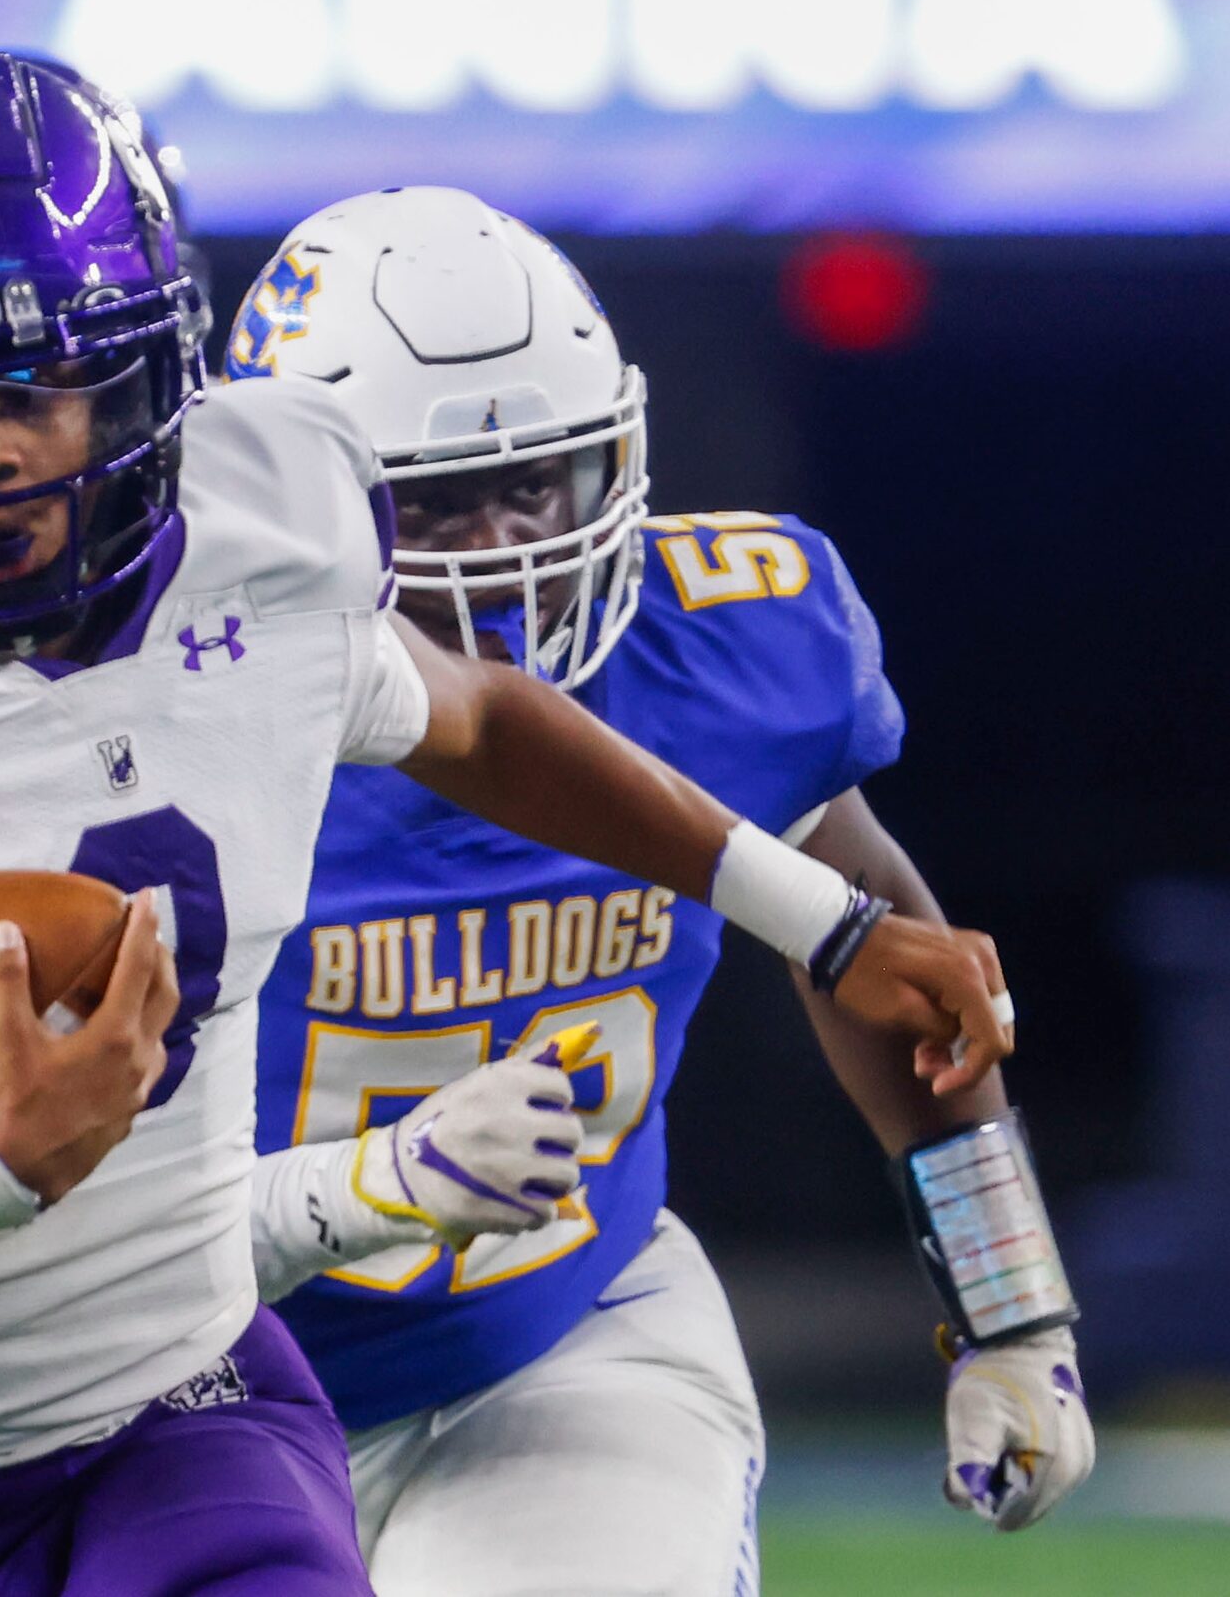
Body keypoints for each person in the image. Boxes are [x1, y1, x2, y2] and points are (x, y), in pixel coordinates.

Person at [0, 50, 1016, 1597]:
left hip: (216, 1386)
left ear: (147, 376)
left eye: (34, 386)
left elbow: (487, 720)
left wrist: (825, 924)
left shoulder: (270, 548)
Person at [225, 186, 1092, 1593]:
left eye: (537, 481)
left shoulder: (719, 653)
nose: (506, 544)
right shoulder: (169, 703)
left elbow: (872, 935)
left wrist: (1010, 1311)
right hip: (193, 1366)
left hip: (558, 1328)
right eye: (438, 501)